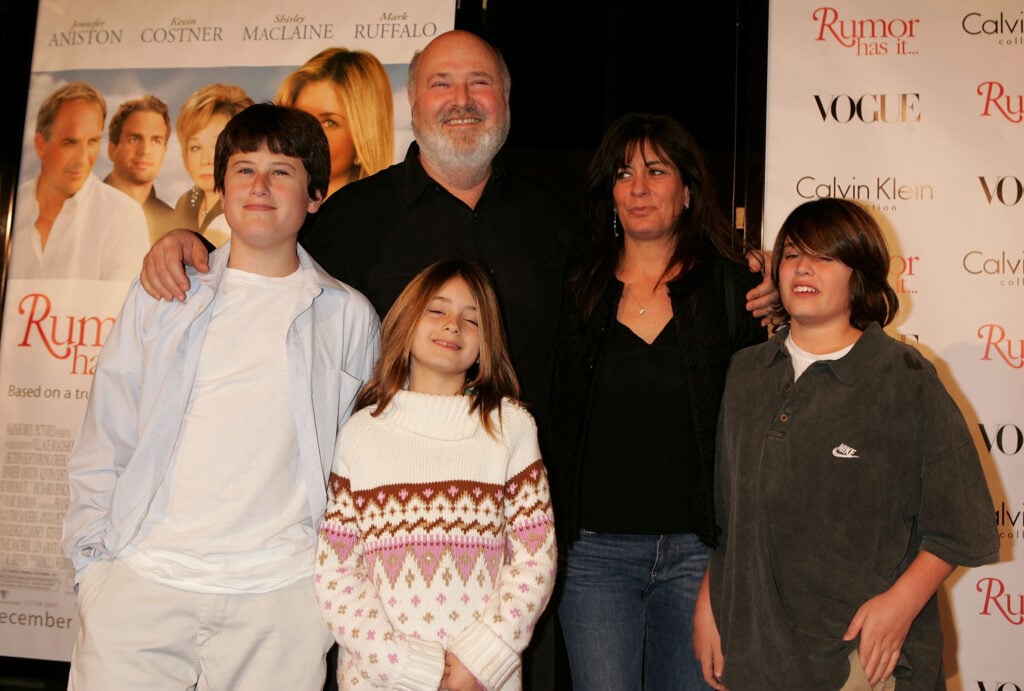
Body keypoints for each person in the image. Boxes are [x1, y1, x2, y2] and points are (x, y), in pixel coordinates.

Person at [138, 30, 778, 689]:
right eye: (442, 83)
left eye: (481, 84)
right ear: (413, 102)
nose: (462, 100)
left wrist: (746, 274)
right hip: (380, 582)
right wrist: (190, 244)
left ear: (506, 102)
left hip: (516, 575)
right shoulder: (349, 221)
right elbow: (263, 261)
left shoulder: (558, 228)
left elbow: (648, 273)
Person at [61, 103, 381, 689]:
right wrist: (93, 564)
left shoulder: (348, 316)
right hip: (141, 585)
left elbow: (360, 465)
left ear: (314, 196)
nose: (260, 186)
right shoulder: (166, 289)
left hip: (279, 603)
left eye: (282, 170)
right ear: (221, 188)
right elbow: (106, 428)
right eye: (243, 169)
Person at [694, 198, 1000, 691]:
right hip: (756, 655)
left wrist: (898, 607)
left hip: (864, 661)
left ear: (860, 274)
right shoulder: (745, 373)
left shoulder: (904, 377)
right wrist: (710, 604)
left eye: (826, 256)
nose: (804, 268)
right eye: (792, 254)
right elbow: (729, 514)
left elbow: (962, 524)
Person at [548, 112, 768, 690]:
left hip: (698, 558)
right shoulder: (574, 288)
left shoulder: (735, 292)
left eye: (656, 170)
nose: (638, 187)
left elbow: (755, 440)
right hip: (592, 557)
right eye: (623, 173)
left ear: (688, 189)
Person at [315, 257, 557, 690]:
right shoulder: (361, 434)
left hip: (481, 680)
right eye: (437, 310)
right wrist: (405, 666)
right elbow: (337, 575)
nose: (453, 326)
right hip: (381, 680)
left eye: (472, 318)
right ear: (407, 322)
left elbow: (535, 560)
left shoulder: (510, 427)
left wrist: (480, 660)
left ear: (488, 342)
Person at [10, 81, 149, 280]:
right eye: (70, 142)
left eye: (92, 142)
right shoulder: (12, 208)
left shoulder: (123, 217)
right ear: (41, 145)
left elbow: (125, 308)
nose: (82, 159)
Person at [276, 47, 394, 198]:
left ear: (363, 142)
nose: (308, 134)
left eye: (330, 123)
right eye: (301, 118)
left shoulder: (388, 219)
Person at [170, 82, 254, 247]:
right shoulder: (187, 202)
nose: (206, 160)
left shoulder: (251, 206)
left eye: (216, 146)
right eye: (195, 147)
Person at [105, 94, 176, 243]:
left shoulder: (175, 226)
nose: (144, 151)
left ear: (164, 151)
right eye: (134, 139)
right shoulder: (81, 212)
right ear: (112, 149)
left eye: (156, 141)